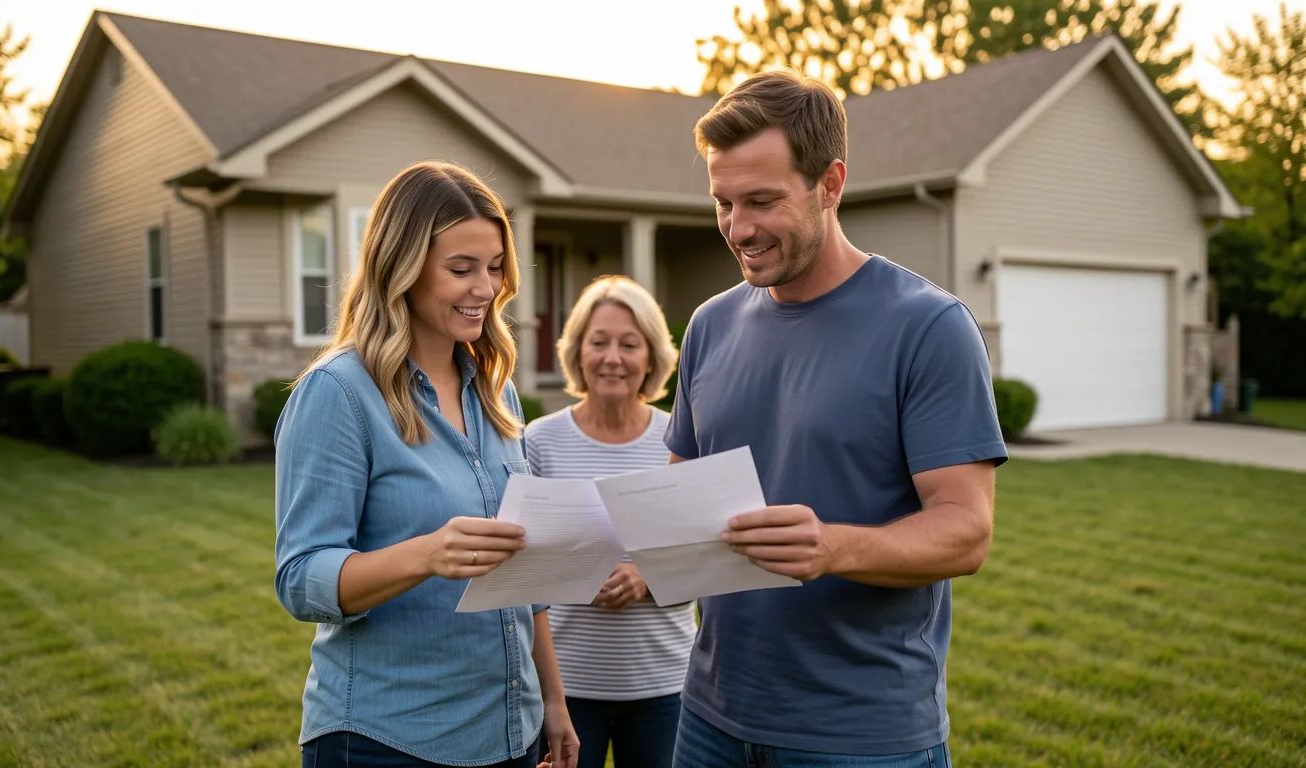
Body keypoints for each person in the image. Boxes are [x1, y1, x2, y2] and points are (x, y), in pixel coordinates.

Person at [665, 71, 1009, 767]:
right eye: (724, 203)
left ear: (830, 183)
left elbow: (965, 532)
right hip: (708, 718)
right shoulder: (709, 324)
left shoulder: (928, 327)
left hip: (861, 734)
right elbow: (679, 496)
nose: (738, 228)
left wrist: (832, 549)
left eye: (762, 201)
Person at [273, 161, 578, 768]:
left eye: (494, 268)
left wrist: (553, 699)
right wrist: (426, 555)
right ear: (402, 269)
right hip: (390, 739)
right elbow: (300, 576)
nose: (486, 288)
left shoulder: (497, 393)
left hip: (508, 733)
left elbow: (525, 572)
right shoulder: (339, 393)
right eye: (461, 269)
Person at [524, 276, 691, 768]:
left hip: (667, 687)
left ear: (652, 358)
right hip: (567, 689)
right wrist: (577, 574)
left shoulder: (681, 439)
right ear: (578, 353)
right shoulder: (539, 442)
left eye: (629, 344)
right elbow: (520, 566)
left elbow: (708, 556)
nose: (612, 357)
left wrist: (646, 577)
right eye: (598, 342)